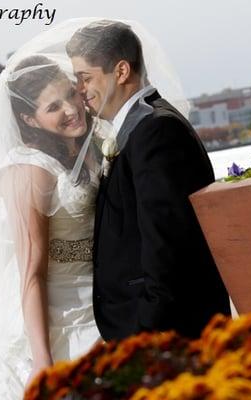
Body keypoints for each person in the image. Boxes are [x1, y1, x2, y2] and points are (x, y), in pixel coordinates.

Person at [67, 20, 231, 341]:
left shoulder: (156, 131)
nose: (80, 90)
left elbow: (166, 248)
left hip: (167, 334)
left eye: (85, 78)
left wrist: (146, 333)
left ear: (122, 71)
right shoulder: (139, 126)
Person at [0, 54, 101, 400]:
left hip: (100, 295)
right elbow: (31, 273)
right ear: (28, 119)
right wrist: (42, 358)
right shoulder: (28, 171)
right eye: (53, 107)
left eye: (70, 94)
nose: (70, 109)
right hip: (58, 310)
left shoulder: (86, 146)